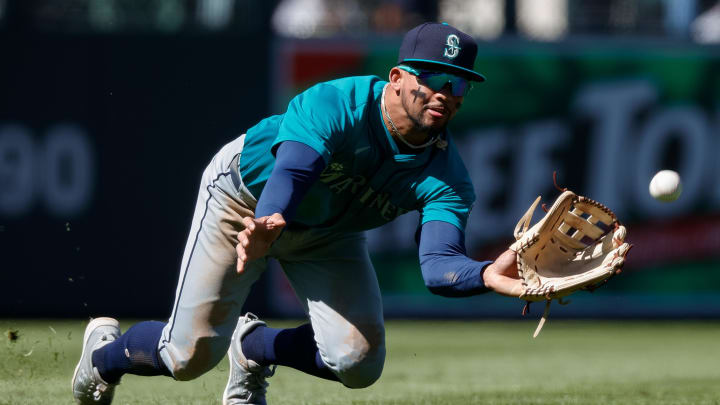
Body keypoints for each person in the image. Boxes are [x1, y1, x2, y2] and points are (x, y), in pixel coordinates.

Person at [72, 22, 524, 405]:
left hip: (330, 235)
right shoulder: (338, 103)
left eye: (458, 83)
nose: (444, 92)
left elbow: (438, 264)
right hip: (245, 201)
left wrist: (485, 275)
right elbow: (292, 172)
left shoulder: (449, 177)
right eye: (432, 76)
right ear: (397, 77)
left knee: (359, 363)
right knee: (187, 358)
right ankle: (102, 357)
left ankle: (254, 347)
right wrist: (270, 218)